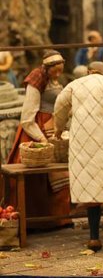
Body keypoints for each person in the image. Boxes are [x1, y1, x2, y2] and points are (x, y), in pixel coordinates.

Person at [53, 61, 103, 255]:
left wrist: (58, 128)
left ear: (88, 71)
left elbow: (59, 107)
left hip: (82, 145)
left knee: (91, 192)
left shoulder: (74, 85)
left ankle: (94, 239)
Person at [6, 50, 71, 228]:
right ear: (47, 68)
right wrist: (41, 139)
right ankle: (34, 222)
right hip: (37, 129)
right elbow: (27, 117)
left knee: (61, 176)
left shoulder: (56, 80)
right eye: (55, 70)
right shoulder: (36, 80)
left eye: (60, 70)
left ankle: (59, 218)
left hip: (53, 126)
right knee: (37, 179)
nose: (58, 73)